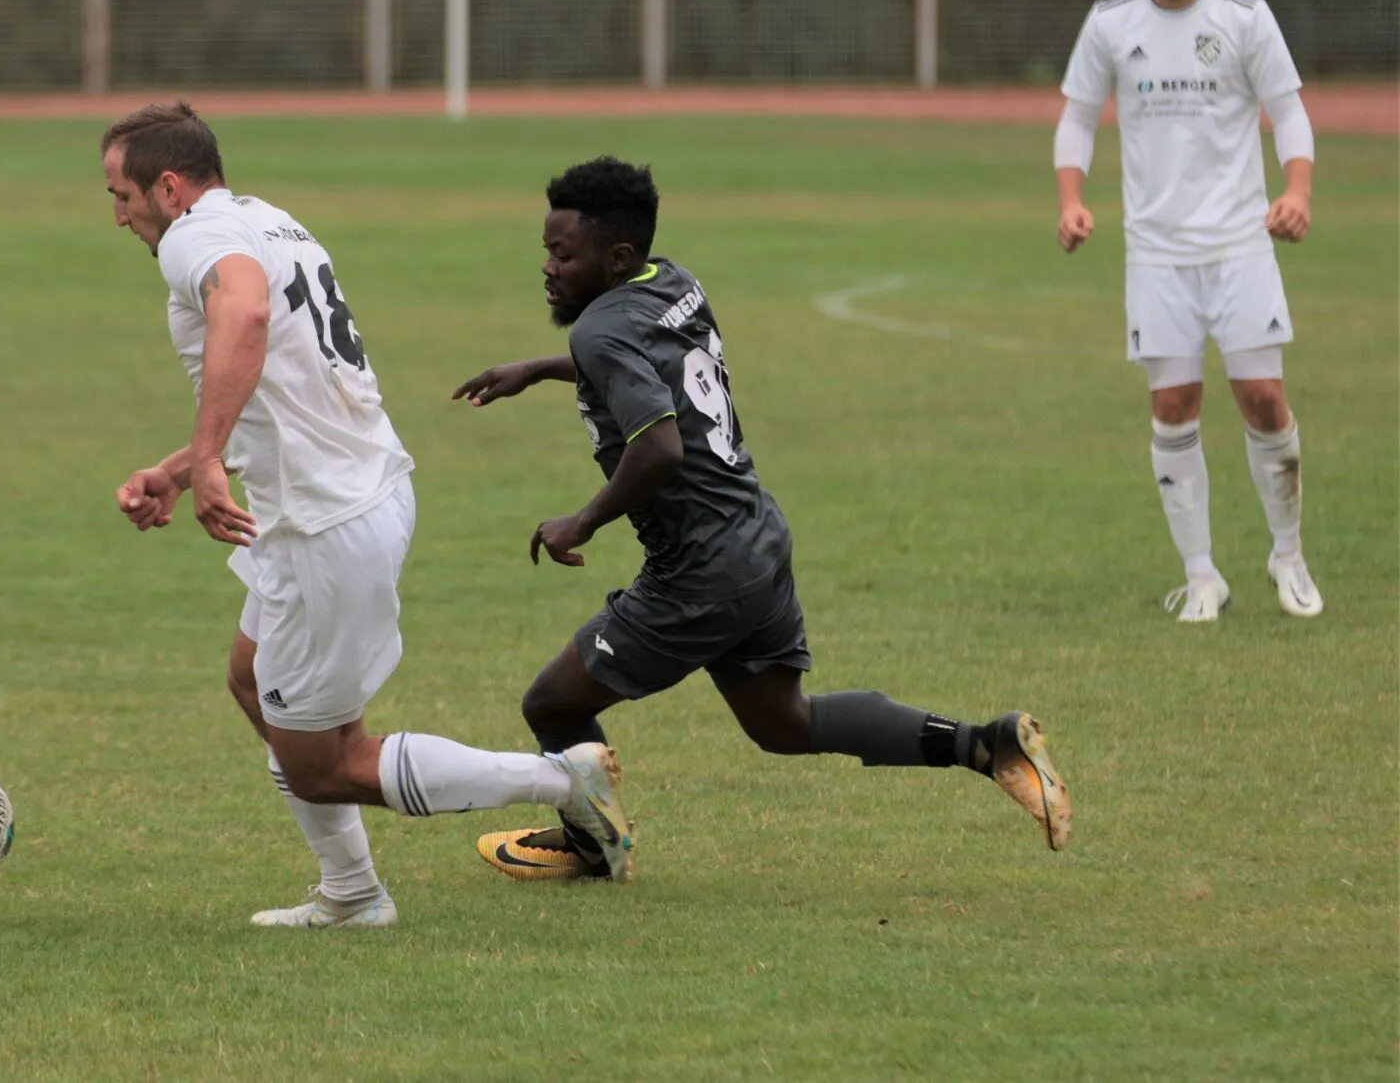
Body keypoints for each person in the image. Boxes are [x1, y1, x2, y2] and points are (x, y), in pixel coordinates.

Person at [454, 157, 1070, 881]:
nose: (548, 268)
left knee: (553, 705)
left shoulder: (599, 332)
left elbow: (658, 448)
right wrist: (539, 368)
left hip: (699, 571)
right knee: (785, 723)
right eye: (547, 251)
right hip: (756, 537)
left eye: (563, 255)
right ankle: (987, 744)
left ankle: (591, 846)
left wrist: (581, 522)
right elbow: (648, 359)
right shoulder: (672, 281)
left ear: (615, 258)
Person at [103, 101, 633, 927]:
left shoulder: (192, 237)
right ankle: (350, 891)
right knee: (251, 678)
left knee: (327, 763)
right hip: (351, 492)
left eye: (121, 194)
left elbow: (244, 314)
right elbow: (290, 382)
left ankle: (564, 781)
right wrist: (181, 469)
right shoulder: (269, 221)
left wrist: (206, 459)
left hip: (326, 521)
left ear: (169, 188)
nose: (118, 215)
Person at [1053, 0, 1321, 623]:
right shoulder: (1112, 23)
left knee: (1263, 399)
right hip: (1156, 254)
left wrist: (1297, 191)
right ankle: (1202, 576)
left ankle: (1288, 554)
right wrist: (1071, 200)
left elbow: (1288, 112)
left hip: (1239, 245)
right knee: (1173, 408)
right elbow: (1077, 119)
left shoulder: (1244, 17)